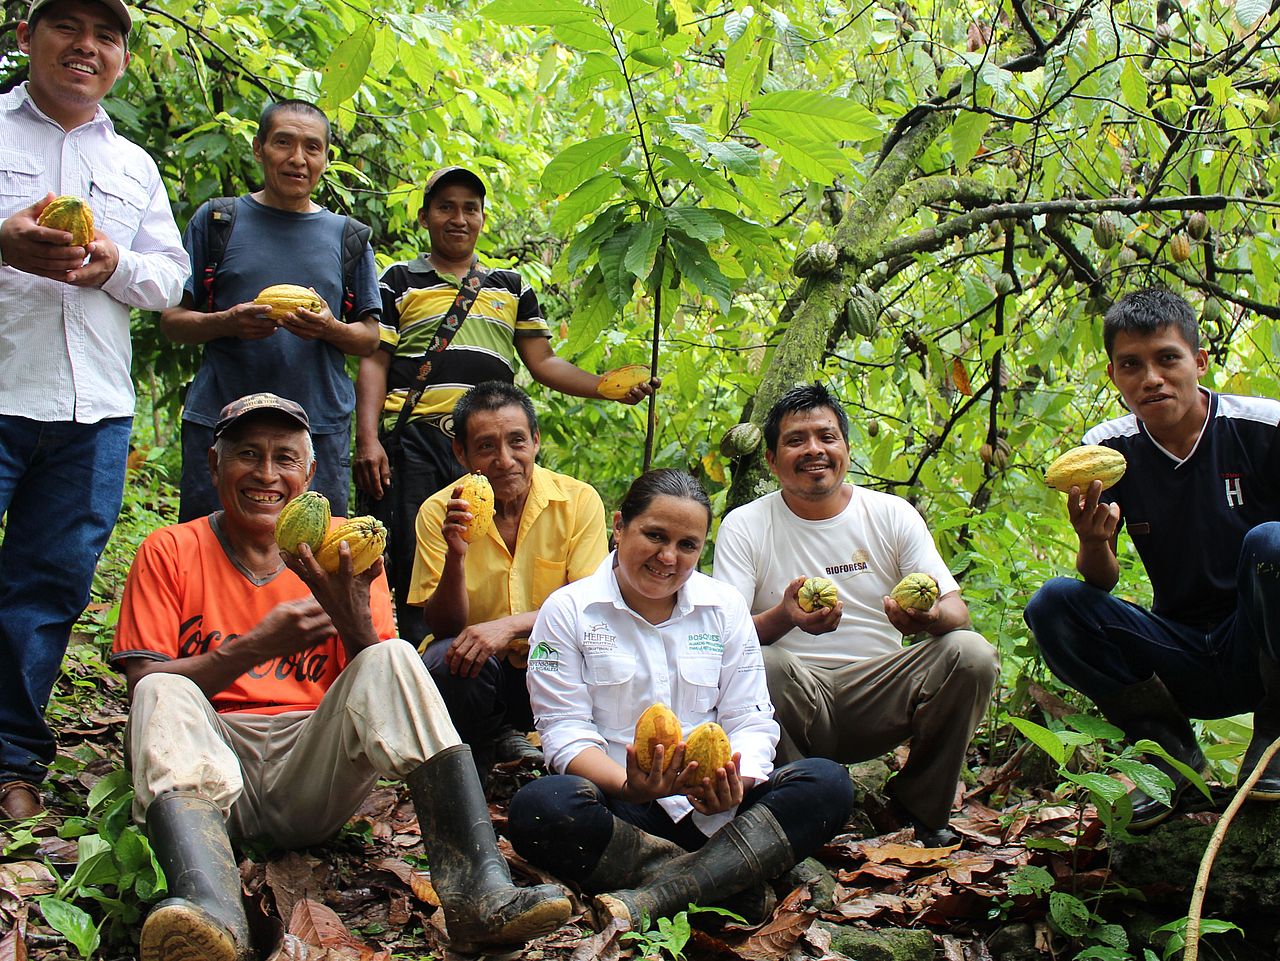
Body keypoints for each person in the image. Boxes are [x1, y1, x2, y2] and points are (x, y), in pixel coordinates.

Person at [109, 393, 571, 961]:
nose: (266, 474)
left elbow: (370, 683)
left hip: (309, 767)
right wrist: (257, 646)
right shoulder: (170, 550)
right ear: (214, 465)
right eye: (247, 455)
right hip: (205, 765)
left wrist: (348, 610)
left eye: (285, 459)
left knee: (394, 656)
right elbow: (143, 692)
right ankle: (211, 910)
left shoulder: (348, 548)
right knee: (160, 685)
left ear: (309, 473)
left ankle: (479, 891)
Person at [507, 469, 853, 928]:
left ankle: (661, 892)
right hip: (624, 806)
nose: (668, 557)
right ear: (618, 527)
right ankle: (725, 879)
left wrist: (737, 782)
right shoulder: (570, 610)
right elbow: (564, 731)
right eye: (654, 535)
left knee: (827, 782)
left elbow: (751, 719)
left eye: (687, 545)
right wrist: (629, 786)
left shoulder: (724, 607)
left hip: (718, 807)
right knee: (540, 808)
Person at [0, 0, 189, 821]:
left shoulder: (134, 165)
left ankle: (10, 757)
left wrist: (116, 264)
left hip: (94, 411)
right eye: (67, 25)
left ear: (119, 56)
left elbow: (170, 275)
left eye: (107, 34)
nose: (88, 46)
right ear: (24, 36)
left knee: (46, 588)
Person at [354, 165, 653, 642]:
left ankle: (505, 652)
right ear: (425, 216)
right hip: (415, 440)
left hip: (488, 447)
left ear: (482, 218)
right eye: (445, 207)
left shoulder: (510, 285)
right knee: (416, 557)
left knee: (494, 548)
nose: (458, 218)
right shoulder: (397, 280)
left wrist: (604, 385)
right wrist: (368, 440)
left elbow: (543, 362)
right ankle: (422, 666)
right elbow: (374, 362)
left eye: (469, 208)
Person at [1025, 286, 1280, 828]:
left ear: (1199, 361)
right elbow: (1101, 583)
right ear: (1114, 377)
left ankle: (1277, 738)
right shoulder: (1109, 452)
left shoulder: (1263, 429)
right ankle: (1167, 755)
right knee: (1054, 603)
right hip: (1177, 650)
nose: (1152, 378)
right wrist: (1093, 542)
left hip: (1260, 644)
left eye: (1168, 358)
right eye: (1131, 365)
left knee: (1271, 544)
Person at [713, 384, 999, 847]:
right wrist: (786, 616)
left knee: (972, 654)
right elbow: (723, 638)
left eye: (826, 437)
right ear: (770, 460)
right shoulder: (745, 525)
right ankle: (791, 811)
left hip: (880, 691)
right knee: (762, 662)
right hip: (794, 696)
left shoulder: (890, 514)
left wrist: (924, 619)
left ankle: (922, 810)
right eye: (795, 440)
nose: (814, 451)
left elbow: (956, 610)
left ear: (846, 447)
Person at [161, 98, 381, 522]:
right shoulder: (218, 220)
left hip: (315, 430)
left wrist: (328, 328)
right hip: (223, 423)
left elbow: (369, 338)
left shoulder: (348, 237)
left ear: (326, 158)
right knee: (210, 550)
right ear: (259, 148)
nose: (298, 159)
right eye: (284, 143)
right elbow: (172, 322)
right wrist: (229, 322)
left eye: (312, 148)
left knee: (308, 560)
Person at [408, 381, 608, 776]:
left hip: (553, 665)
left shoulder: (579, 500)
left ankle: (556, 749)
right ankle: (482, 753)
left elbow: (589, 603)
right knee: (450, 660)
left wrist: (509, 626)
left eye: (516, 441)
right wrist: (456, 554)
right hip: (482, 675)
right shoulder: (438, 511)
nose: (504, 459)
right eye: (486, 447)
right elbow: (443, 625)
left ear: (535, 442)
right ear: (461, 453)